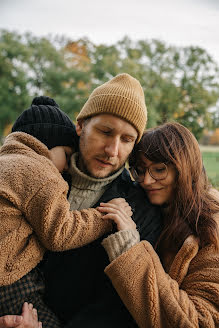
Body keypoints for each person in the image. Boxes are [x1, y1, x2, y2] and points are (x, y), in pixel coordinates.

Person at [0, 96, 132, 328]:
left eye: (127, 139)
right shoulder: (41, 172)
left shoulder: (7, 161)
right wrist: (104, 215)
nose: (67, 165)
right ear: (48, 146)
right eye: (67, 154)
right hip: (10, 279)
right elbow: (59, 231)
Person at [101, 122, 219, 328]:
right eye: (140, 170)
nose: (146, 180)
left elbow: (200, 321)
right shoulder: (148, 205)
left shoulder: (211, 226)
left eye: (159, 169)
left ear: (185, 168)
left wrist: (129, 246)